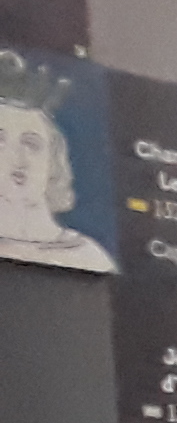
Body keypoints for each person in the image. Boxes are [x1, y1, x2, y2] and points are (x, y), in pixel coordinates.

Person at [0, 50, 114, 274]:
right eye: (0, 142)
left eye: (31, 144)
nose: (18, 159)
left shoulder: (88, 257)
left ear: (54, 161)